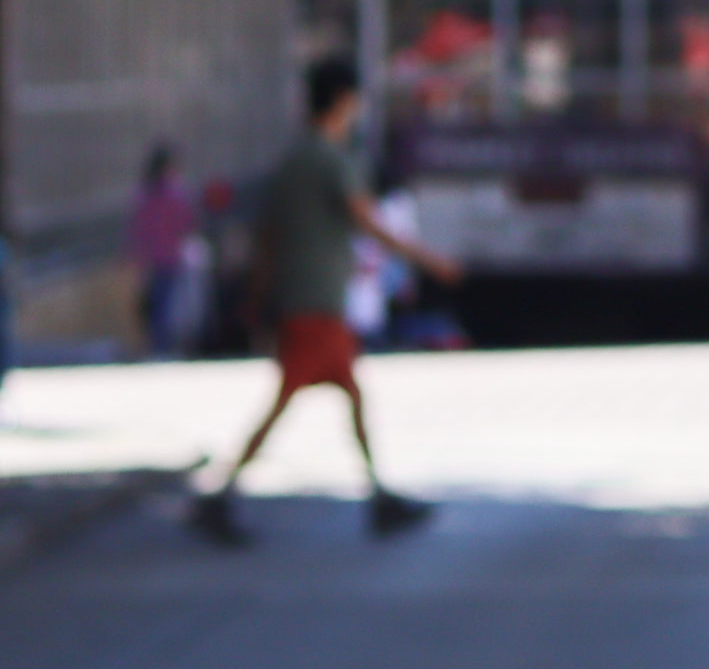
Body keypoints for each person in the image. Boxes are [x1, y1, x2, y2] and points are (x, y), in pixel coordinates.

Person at [191, 59, 462, 546]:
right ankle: (222, 495)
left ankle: (377, 496)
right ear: (343, 101)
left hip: (300, 302)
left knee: (344, 399)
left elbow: (267, 239)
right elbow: (369, 222)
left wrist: (258, 297)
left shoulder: (294, 161)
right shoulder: (331, 161)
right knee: (294, 405)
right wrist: (430, 260)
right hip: (314, 305)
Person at [127, 144, 199, 358]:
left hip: (151, 259)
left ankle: (159, 343)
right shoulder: (175, 193)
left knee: (156, 303)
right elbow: (188, 222)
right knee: (168, 304)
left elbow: (135, 229)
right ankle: (164, 344)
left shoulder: (144, 195)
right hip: (170, 257)